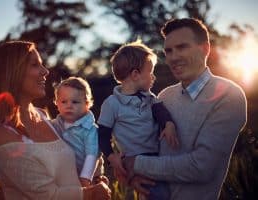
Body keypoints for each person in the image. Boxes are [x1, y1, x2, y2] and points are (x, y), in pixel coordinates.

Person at [122, 18, 247, 200]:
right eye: (169, 51)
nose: (173, 57)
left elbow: (201, 167)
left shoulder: (229, 96)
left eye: (182, 47)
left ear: (205, 49)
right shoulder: (164, 96)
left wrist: (136, 164)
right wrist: (131, 174)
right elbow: (143, 143)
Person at [0, 41, 111, 200]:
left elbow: (78, 157)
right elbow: (48, 196)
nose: (45, 71)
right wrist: (92, 193)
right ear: (12, 72)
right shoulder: (0, 135)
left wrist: (96, 179)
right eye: (35, 65)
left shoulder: (44, 117)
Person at [98, 40, 179, 200]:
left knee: (161, 192)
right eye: (150, 72)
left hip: (157, 157)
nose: (153, 77)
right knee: (159, 194)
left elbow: (160, 112)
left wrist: (168, 124)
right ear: (135, 75)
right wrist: (111, 156)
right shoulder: (112, 103)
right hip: (134, 160)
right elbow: (102, 134)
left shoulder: (150, 98)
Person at [51, 76, 106, 187]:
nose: (69, 105)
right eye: (64, 101)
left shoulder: (90, 129)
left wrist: (85, 178)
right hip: (67, 177)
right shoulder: (55, 124)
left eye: (75, 102)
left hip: (89, 177)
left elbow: (92, 155)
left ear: (87, 104)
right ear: (56, 103)